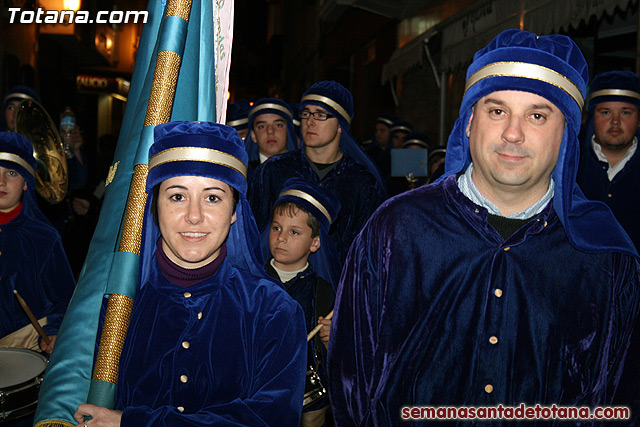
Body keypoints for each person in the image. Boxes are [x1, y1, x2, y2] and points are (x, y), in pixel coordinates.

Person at [328, 29, 640, 426]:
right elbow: (350, 384)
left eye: (538, 115)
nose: (513, 133)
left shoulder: (607, 257)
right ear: (469, 121)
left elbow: (622, 401)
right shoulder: (395, 231)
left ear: (566, 136)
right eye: (497, 111)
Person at [73, 121, 307, 426]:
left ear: (235, 210)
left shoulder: (274, 312)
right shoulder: (112, 306)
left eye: (212, 197)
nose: (194, 216)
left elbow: (269, 419)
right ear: (154, 206)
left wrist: (132, 423)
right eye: (177, 196)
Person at [249, 81, 386, 264]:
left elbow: (369, 252)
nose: (310, 122)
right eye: (306, 114)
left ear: (340, 125)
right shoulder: (273, 171)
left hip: (337, 288)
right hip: (277, 284)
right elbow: (253, 234)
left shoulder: (362, 183)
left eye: (321, 115)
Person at [265, 177, 340, 427]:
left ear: (315, 243)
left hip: (308, 399)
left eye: (294, 232)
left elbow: (341, 357)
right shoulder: (250, 283)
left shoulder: (325, 293)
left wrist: (333, 340)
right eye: (276, 228)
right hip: (258, 392)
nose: (281, 238)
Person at [0, 131, 75, 355]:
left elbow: (63, 298)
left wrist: (55, 330)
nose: (1, 181)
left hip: (25, 348)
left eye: (11, 173)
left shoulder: (44, 237)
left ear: (25, 183)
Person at [577, 70, 640, 251]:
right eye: (605, 112)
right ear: (590, 117)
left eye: (626, 112)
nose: (615, 121)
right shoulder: (569, 166)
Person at [244, 97, 298, 179]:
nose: (270, 131)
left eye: (278, 125)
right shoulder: (243, 176)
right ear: (253, 135)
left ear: (288, 131)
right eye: (262, 126)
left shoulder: (304, 173)